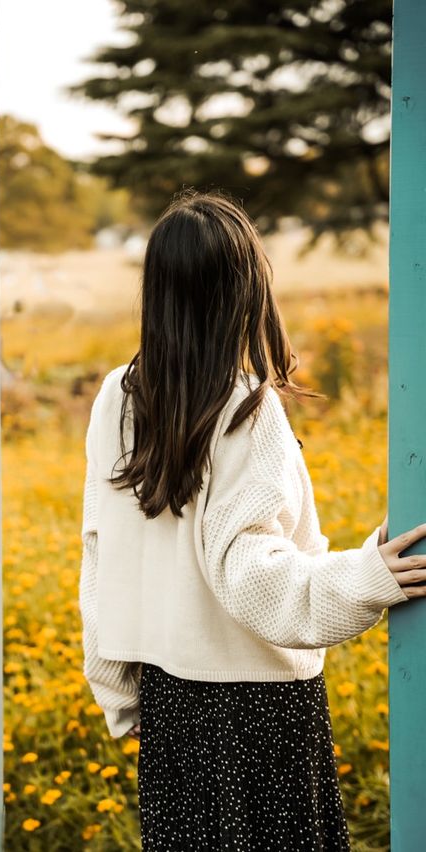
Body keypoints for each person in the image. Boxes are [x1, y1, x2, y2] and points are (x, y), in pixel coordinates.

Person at [78, 189, 426, 851]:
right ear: (245, 292)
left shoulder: (115, 398)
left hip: (171, 707)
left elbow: (100, 557)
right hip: (259, 711)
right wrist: (367, 577)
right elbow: (252, 578)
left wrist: (120, 695)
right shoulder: (247, 408)